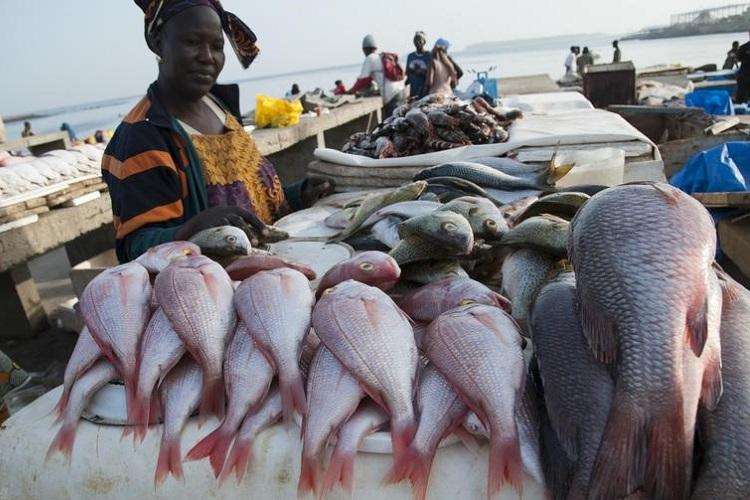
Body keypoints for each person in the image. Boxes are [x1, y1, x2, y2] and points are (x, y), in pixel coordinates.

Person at [104, 1, 334, 263]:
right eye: (192, 42)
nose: (207, 56)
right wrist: (193, 229)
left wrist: (298, 195)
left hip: (275, 267)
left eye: (217, 46)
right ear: (158, 42)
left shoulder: (220, 106)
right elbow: (137, 248)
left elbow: (247, 199)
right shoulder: (144, 136)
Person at [347, 34, 406, 117]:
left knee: (392, 125)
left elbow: (363, 80)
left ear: (364, 49)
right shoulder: (381, 57)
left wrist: (351, 91)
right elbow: (370, 80)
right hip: (401, 92)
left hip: (391, 96)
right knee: (401, 121)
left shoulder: (370, 59)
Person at [406, 31, 431, 98]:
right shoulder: (410, 56)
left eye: (420, 39)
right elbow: (407, 73)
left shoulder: (428, 55)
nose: (417, 41)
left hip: (425, 91)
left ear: (424, 42)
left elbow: (432, 73)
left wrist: (421, 72)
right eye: (416, 39)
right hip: (413, 91)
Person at [737, 33, 750, 102]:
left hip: (744, 75)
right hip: (744, 76)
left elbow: (738, 59)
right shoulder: (743, 47)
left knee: (742, 99)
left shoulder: (743, 47)